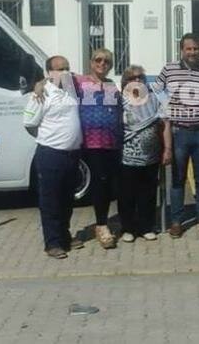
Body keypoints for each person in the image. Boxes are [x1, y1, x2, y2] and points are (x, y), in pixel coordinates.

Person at [155, 33, 199, 238]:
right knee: (177, 179)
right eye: (189, 49)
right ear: (182, 50)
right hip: (178, 132)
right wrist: (165, 110)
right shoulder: (169, 69)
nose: (193, 52)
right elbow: (156, 91)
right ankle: (176, 221)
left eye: (195, 48)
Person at [23, 55, 83, 259]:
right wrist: (46, 139)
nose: (64, 72)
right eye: (59, 69)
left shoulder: (72, 89)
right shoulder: (42, 94)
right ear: (49, 72)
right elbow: (29, 123)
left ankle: (65, 236)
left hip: (72, 155)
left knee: (67, 200)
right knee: (50, 201)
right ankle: (53, 243)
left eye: (67, 68)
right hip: (51, 154)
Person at [118, 65, 172, 243]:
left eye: (140, 77)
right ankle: (128, 228)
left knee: (147, 193)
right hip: (127, 156)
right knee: (127, 194)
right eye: (133, 77)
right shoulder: (119, 100)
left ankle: (146, 227)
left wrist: (167, 149)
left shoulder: (154, 99)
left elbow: (165, 125)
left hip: (151, 156)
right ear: (126, 81)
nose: (137, 80)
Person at [75, 49, 123, 248]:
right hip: (90, 142)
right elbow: (52, 78)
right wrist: (39, 86)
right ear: (91, 61)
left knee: (110, 184)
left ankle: (108, 221)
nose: (102, 64)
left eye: (107, 61)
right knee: (99, 183)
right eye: (98, 60)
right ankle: (101, 225)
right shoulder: (79, 82)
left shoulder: (112, 85)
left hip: (112, 142)